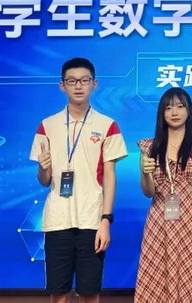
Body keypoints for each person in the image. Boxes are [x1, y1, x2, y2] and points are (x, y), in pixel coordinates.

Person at [29, 57, 127, 303]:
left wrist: (106, 220)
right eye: (72, 81)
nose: (78, 86)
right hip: (57, 219)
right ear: (62, 86)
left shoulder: (108, 125)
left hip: (92, 220)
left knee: (89, 292)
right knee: (59, 292)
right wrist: (43, 168)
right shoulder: (47, 125)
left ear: (95, 84)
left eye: (84, 80)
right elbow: (44, 180)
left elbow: (110, 176)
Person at [135, 87, 192, 302]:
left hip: (190, 222)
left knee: (191, 282)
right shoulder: (148, 148)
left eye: (180, 106)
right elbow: (148, 192)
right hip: (159, 223)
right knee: (156, 282)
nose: (175, 112)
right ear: (162, 113)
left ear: (189, 111)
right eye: (168, 108)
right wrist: (145, 172)